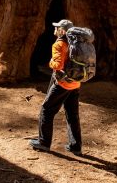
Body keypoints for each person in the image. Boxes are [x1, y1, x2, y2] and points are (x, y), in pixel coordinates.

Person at [29, 19, 82, 155]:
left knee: (46, 110)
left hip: (62, 84)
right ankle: (76, 146)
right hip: (75, 83)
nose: (55, 29)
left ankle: (43, 142)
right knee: (72, 114)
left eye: (57, 27)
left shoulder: (59, 44)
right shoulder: (76, 44)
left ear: (62, 31)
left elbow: (57, 65)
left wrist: (50, 62)